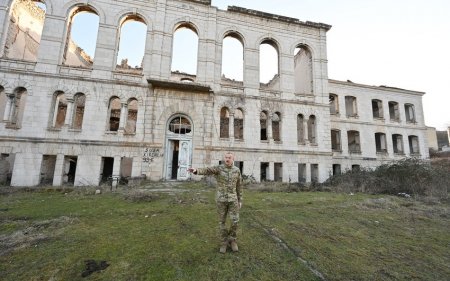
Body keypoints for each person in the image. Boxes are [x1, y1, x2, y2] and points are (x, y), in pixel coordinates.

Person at [188, 152, 242, 253]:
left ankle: (232, 240)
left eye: (229, 157)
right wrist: (196, 171)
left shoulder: (237, 170)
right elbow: (207, 170)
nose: (227, 159)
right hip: (221, 200)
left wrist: (240, 200)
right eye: (226, 157)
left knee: (235, 221)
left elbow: (239, 186)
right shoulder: (219, 168)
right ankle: (224, 242)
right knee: (222, 222)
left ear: (233, 158)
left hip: (233, 200)